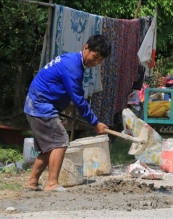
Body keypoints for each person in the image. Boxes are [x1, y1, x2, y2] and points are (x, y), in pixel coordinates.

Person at [23, 34, 112, 191]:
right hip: (40, 105)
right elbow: (78, 100)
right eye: (95, 56)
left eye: (100, 60)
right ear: (86, 48)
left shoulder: (73, 61)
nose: (96, 62)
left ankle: (32, 182)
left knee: (49, 147)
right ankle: (51, 184)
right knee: (61, 141)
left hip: (37, 104)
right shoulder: (73, 67)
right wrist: (95, 123)